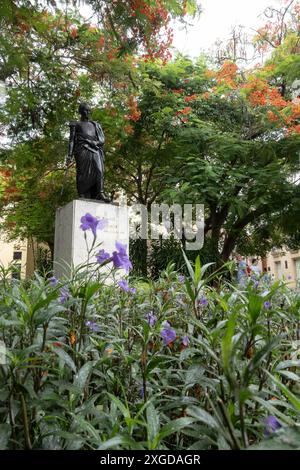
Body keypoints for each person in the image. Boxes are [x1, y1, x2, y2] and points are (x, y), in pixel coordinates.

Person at [67, 102, 110, 202]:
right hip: (82, 149)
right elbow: (71, 140)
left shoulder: (95, 125)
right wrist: (69, 155)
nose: (88, 112)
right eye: (85, 110)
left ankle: (100, 192)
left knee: (99, 170)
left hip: (95, 149)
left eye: (89, 110)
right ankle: (82, 193)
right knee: (82, 172)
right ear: (81, 112)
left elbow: (102, 140)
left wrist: (93, 142)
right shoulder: (76, 124)